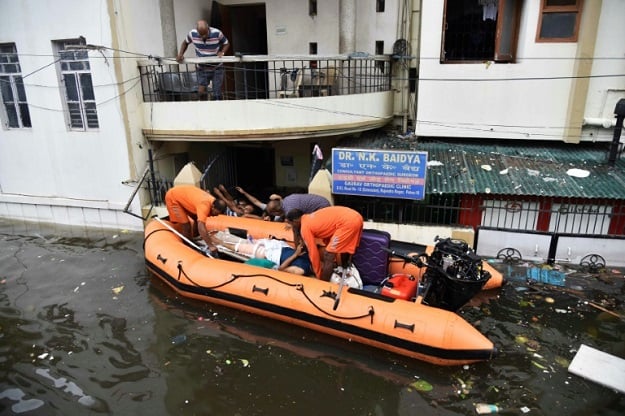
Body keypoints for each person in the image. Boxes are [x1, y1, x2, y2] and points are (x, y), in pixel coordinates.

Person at [285, 206, 363, 281]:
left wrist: (318, 275)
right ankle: (344, 267)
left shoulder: (305, 228)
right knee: (343, 249)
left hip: (347, 222)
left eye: (291, 224)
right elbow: (329, 232)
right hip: (356, 216)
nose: (292, 227)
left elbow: (313, 253)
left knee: (328, 255)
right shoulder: (309, 217)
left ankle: (324, 283)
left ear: (295, 221)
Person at [208, 231, 312, 275]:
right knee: (250, 242)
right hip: (278, 247)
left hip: (269, 255)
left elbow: (281, 269)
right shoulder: (309, 256)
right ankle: (224, 239)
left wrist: (295, 255)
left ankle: (219, 242)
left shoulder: (301, 270)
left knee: (243, 248)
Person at [176, 19, 230, 100]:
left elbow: (226, 43)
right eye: (201, 35)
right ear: (197, 31)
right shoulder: (192, 34)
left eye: (205, 34)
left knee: (217, 92)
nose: (204, 36)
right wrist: (180, 54)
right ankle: (203, 107)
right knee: (201, 92)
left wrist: (222, 53)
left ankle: (218, 107)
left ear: (208, 28)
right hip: (202, 68)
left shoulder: (217, 33)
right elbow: (185, 43)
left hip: (217, 67)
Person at [164, 185, 226, 251]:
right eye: (215, 213)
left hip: (184, 196)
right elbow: (201, 225)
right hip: (173, 197)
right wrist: (210, 245)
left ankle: (195, 237)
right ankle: (187, 247)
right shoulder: (204, 205)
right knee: (186, 225)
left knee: (196, 218)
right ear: (213, 207)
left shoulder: (213, 201)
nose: (215, 216)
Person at [265, 193, 331, 221]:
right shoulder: (287, 199)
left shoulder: (290, 211)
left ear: (276, 213)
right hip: (322, 201)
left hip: (321, 208)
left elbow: (298, 223)